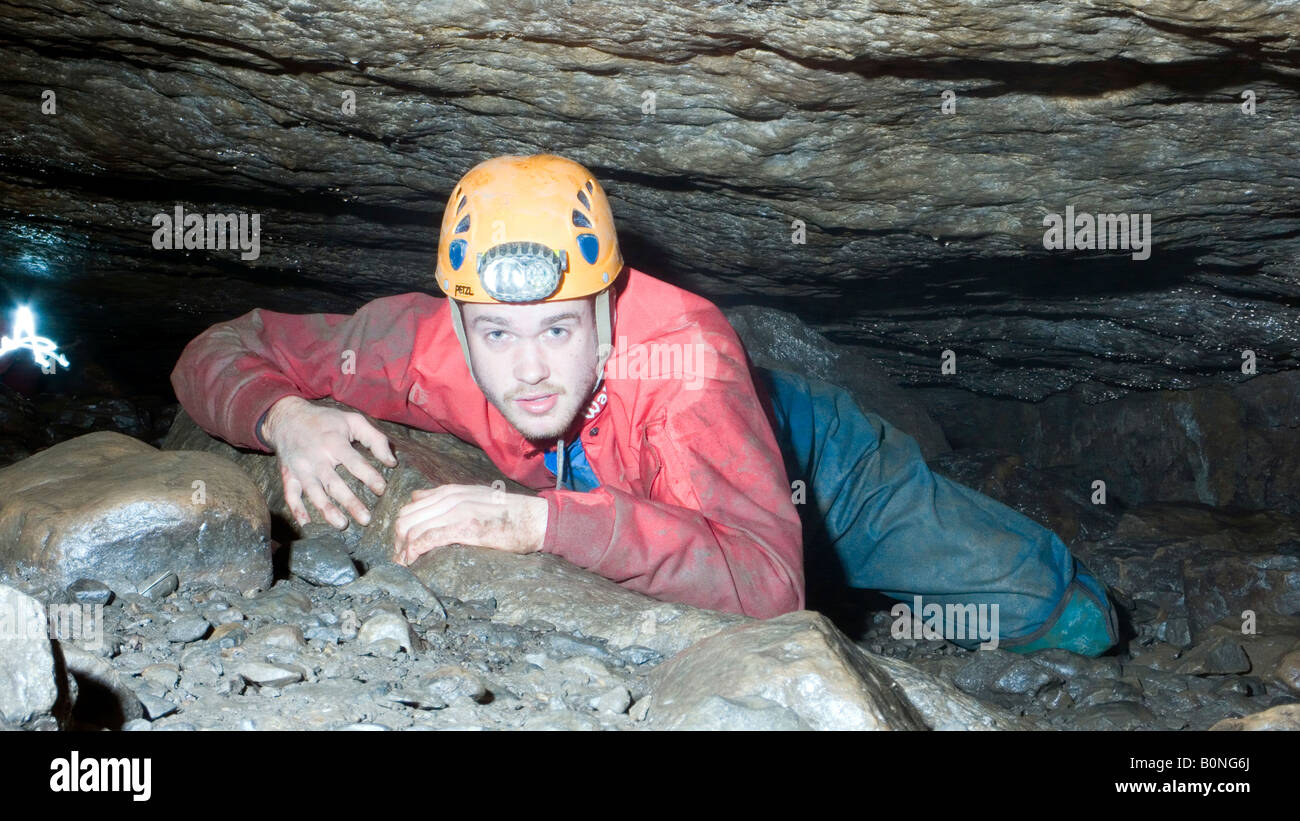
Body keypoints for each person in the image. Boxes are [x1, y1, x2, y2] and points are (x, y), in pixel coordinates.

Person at [170, 154, 1118, 655]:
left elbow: (765, 584)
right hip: (660, 493)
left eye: (560, 330)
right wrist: (281, 419)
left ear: (609, 315)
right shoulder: (422, 343)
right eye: (497, 333)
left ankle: (1054, 577)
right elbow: (221, 346)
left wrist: (535, 522)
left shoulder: (686, 363)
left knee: (1061, 614)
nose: (529, 369)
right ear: (459, 327)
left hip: (817, 469)